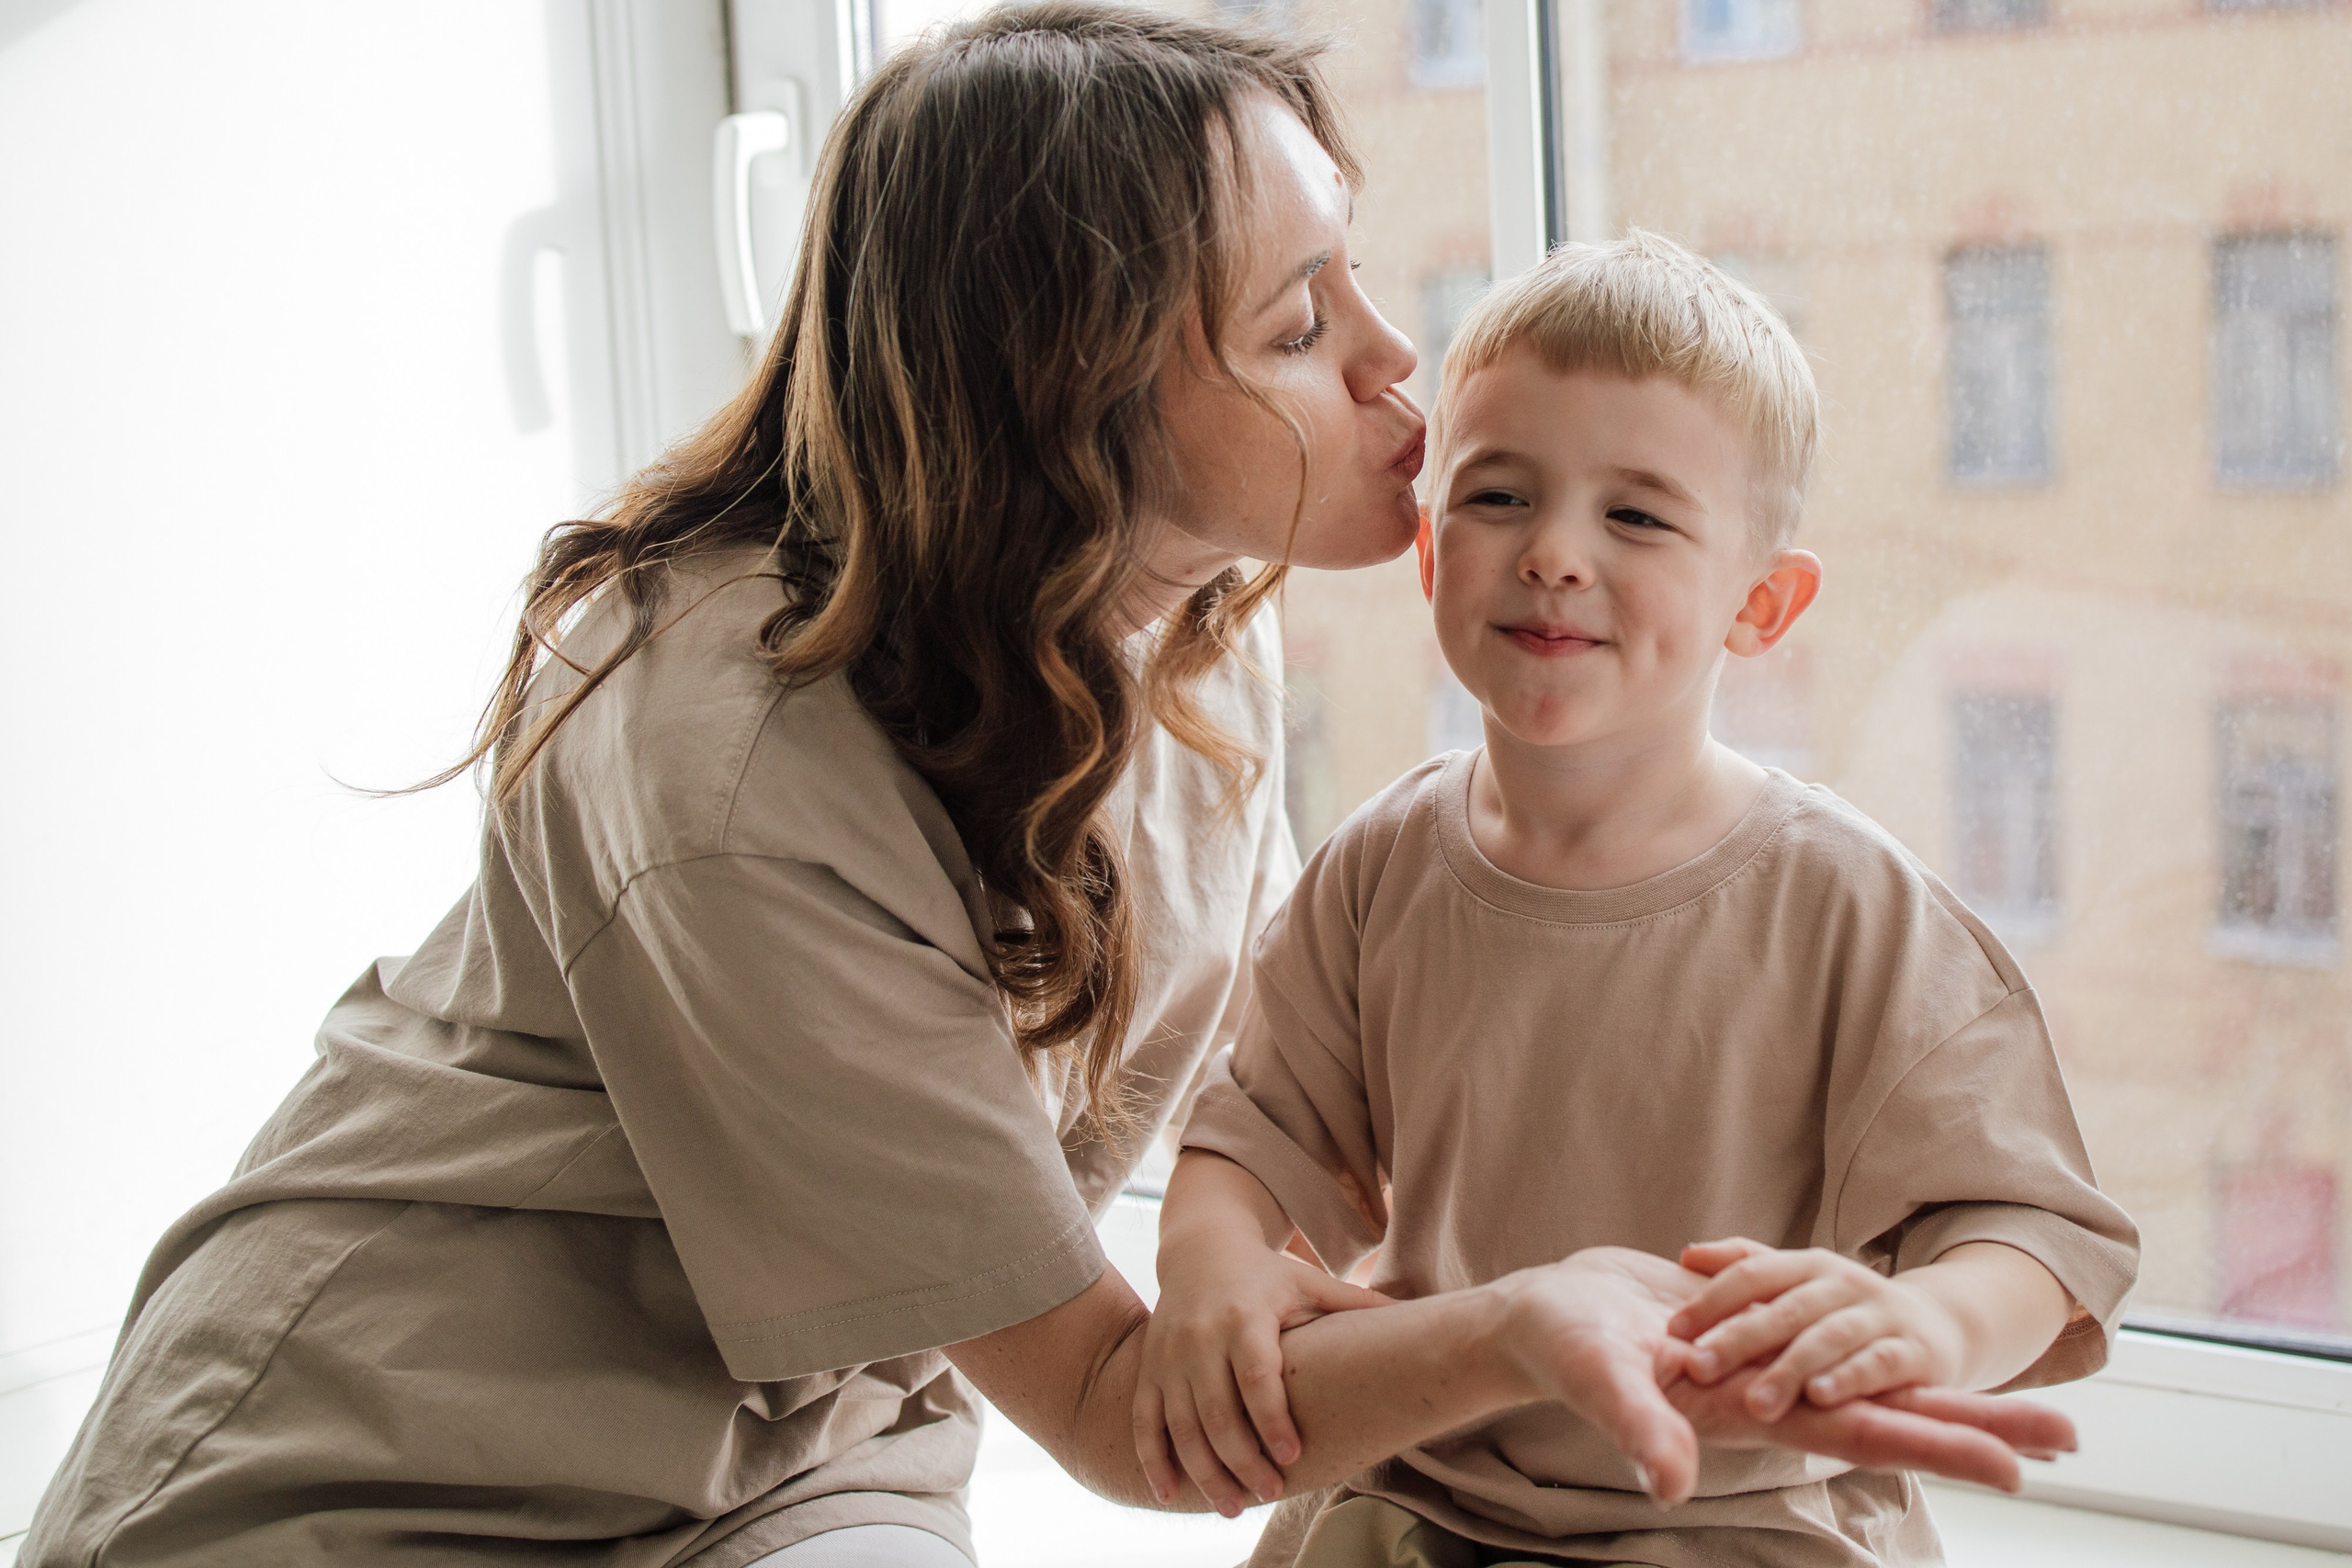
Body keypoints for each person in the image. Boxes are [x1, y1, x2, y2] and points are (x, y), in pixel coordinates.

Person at [25, 17, 2078, 1568]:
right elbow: (1125, 1402)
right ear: (1070, 390)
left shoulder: (1200, 646)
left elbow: (1221, 1168)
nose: (1401, 369)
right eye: (1298, 320)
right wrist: (1500, 1326)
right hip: (408, 1470)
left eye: (1356, 279)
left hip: (804, 1453)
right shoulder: (729, 763)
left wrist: (1279, 1270)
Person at [1141, 233, 2142, 1568]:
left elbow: (2035, 1231)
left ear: (1763, 602)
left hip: (1744, 1524)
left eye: (1637, 516)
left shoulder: (1846, 906)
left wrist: (1931, 1327)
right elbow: (1254, 1133)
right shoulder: (1380, 865)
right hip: (1414, 1501)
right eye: (1499, 497)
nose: (1555, 553)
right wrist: (1206, 1270)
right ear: (1430, 552)